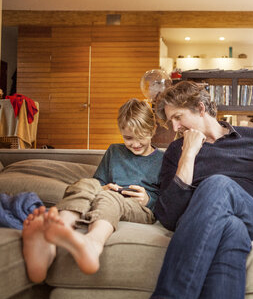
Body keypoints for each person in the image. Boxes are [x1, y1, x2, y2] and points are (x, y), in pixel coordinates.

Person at [147, 81, 253, 299]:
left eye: (178, 117)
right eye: (170, 121)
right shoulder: (176, 151)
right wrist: (189, 153)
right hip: (216, 227)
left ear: (201, 108)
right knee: (232, 229)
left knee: (218, 184)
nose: (174, 128)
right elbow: (168, 216)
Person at [22, 98, 164, 283]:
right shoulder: (114, 151)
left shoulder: (162, 159)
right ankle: (58, 229)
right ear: (121, 131)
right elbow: (98, 181)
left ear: (153, 130)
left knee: (108, 198)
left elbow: (167, 199)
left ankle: (93, 243)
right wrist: (103, 186)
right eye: (128, 138)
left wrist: (148, 199)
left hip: (140, 208)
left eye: (141, 137)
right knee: (86, 184)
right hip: (109, 194)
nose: (135, 144)